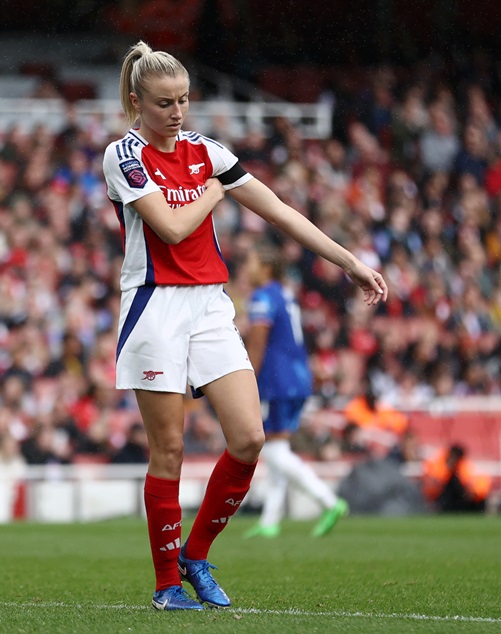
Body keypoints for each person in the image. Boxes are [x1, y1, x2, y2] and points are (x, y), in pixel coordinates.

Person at [103, 41, 387, 611]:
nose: (178, 112)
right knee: (170, 450)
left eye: (184, 99)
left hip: (209, 305)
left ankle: (196, 554)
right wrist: (215, 188)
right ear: (137, 103)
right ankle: (165, 587)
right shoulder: (123, 156)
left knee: (250, 438)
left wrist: (350, 261)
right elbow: (175, 229)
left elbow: (279, 209)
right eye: (164, 103)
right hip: (155, 304)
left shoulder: (206, 149)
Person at [240, 242, 349, 540]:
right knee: (279, 447)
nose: (245, 268)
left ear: (265, 268)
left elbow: (259, 343)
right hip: (298, 376)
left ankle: (329, 501)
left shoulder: (262, 297)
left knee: (273, 449)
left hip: (278, 380)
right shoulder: (285, 295)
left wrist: (247, 377)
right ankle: (270, 520)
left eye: (250, 262)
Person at [421, 444, 491, 512]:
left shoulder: (463, 467)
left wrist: (471, 492)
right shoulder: (439, 464)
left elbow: (471, 487)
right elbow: (434, 486)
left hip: (460, 497)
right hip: (444, 497)